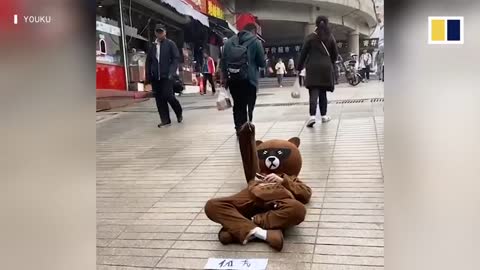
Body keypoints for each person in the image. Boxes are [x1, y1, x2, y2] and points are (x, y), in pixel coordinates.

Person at [220, 23, 266, 136]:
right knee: (249, 104)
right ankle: (247, 126)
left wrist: (224, 78)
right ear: (254, 31)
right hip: (249, 79)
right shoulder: (256, 42)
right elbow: (261, 63)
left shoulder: (229, 42)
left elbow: (223, 62)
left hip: (233, 78)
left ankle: (238, 128)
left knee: (238, 104)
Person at [297, 16, 338, 128]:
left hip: (313, 68)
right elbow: (335, 54)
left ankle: (312, 117)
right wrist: (330, 62)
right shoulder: (330, 37)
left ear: (315, 24)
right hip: (325, 67)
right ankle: (324, 116)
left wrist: (299, 67)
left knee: (313, 92)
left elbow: (303, 54)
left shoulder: (310, 37)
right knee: (323, 92)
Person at [145, 24, 183, 128]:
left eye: (161, 31)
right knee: (159, 99)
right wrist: (148, 77)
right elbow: (148, 62)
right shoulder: (152, 46)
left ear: (165, 32)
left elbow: (176, 59)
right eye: (157, 32)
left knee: (168, 96)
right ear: (155, 33)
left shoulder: (170, 44)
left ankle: (178, 111)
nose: (159, 33)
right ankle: (165, 120)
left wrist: (171, 72)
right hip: (155, 77)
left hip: (167, 76)